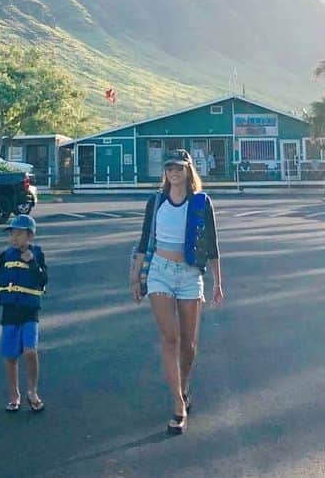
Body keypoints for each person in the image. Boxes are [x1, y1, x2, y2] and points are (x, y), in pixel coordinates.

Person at [130, 149, 223, 435]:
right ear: (165, 172)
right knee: (170, 338)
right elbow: (145, 240)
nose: (174, 173)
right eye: (169, 168)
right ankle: (177, 404)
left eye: (179, 168)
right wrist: (136, 277)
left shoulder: (200, 203)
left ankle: (183, 387)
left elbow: (212, 245)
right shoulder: (156, 201)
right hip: (160, 272)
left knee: (188, 343)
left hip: (189, 275)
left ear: (188, 171)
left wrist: (218, 283)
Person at [0, 214, 48, 413]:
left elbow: (43, 280)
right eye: (12, 233)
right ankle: (14, 395)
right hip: (10, 311)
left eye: (19, 234)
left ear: (30, 236)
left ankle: (33, 392)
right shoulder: (4, 257)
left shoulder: (37, 254)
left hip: (30, 311)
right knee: (10, 356)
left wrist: (32, 263)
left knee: (30, 351)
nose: (14, 238)